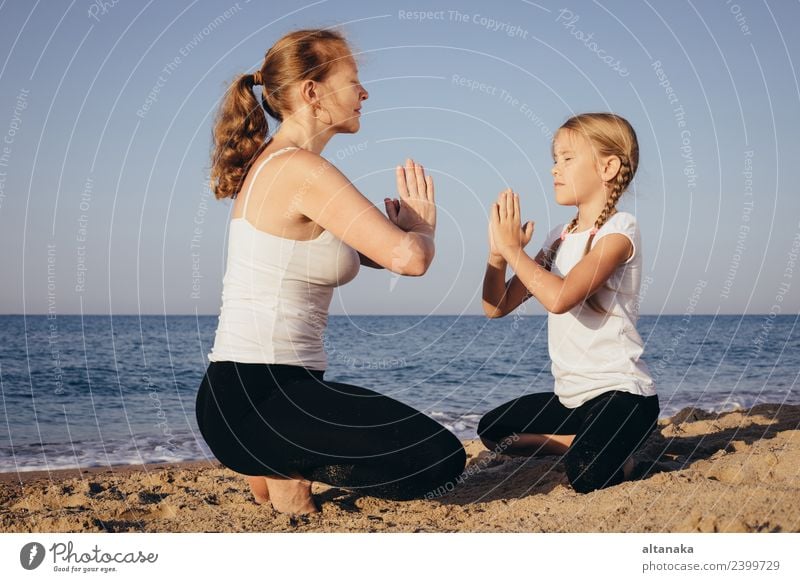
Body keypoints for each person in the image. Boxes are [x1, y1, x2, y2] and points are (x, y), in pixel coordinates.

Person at [195, 29, 465, 515]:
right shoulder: (299, 169)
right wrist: (422, 225)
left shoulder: (277, 165)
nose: (364, 93)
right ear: (312, 92)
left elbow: (376, 252)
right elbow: (412, 260)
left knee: (422, 451)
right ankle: (282, 467)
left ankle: (272, 459)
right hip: (259, 398)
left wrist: (396, 234)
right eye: (353, 80)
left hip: (261, 398)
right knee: (440, 460)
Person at [478, 112, 659, 494]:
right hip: (572, 399)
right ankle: (588, 444)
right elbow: (495, 307)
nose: (554, 168)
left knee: (587, 477)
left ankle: (611, 451)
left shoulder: (620, 231)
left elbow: (560, 298)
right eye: (554, 158)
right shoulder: (558, 237)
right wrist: (498, 257)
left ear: (607, 167)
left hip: (622, 394)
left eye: (566, 158)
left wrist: (514, 251)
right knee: (494, 431)